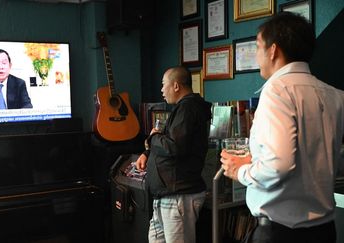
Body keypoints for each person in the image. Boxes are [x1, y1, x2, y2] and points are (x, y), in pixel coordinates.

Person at [220, 12, 344, 243]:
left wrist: (240, 172)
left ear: (273, 50)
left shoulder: (277, 90)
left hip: (281, 233)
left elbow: (279, 166)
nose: (257, 56)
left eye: (257, 47)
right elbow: (325, 159)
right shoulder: (336, 95)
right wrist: (257, 160)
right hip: (325, 230)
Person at [136, 66, 212, 243]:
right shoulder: (182, 109)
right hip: (165, 196)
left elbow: (174, 146)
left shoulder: (188, 108)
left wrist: (153, 137)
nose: (162, 90)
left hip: (179, 196)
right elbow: (169, 141)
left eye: (164, 85)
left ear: (176, 86)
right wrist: (148, 152)